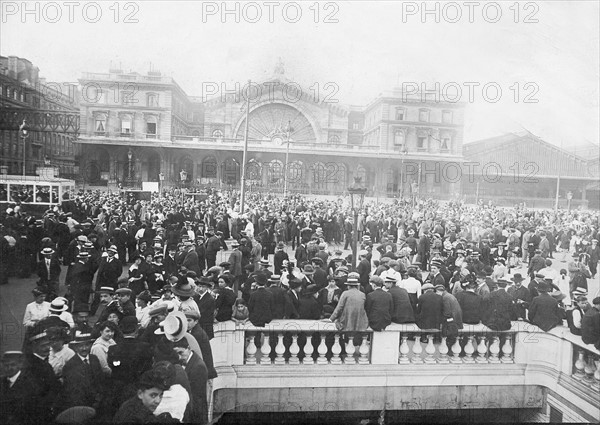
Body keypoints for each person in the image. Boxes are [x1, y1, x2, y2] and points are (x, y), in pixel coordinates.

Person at [173, 337, 208, 424]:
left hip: (196, 415)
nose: (179, 357)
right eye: (176, 354)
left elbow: (197, 397)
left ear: (188, 348)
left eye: (181, 353)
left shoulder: (198, 367)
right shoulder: (190, 361)